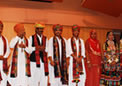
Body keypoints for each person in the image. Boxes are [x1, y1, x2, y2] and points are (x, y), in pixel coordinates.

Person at [0, 20, 10, 86]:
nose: (0, 29)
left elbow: (8, 51)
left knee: (3, 80)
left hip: (3, 63)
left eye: (1, 27)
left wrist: (4, 57)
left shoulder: (4, 39)